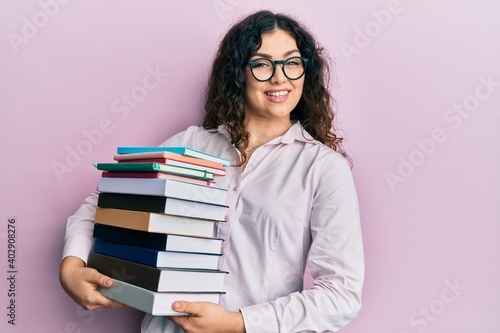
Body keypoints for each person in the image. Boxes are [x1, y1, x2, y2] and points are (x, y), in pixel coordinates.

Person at [59, 10, 364, 333]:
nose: (280, 78)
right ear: (237, 73)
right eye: (262, 64)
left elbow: (340, 295)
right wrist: (72, 267)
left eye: (292, 62)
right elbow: (106, 203)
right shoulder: (190, 144)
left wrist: (238, 323)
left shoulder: (323, 168)